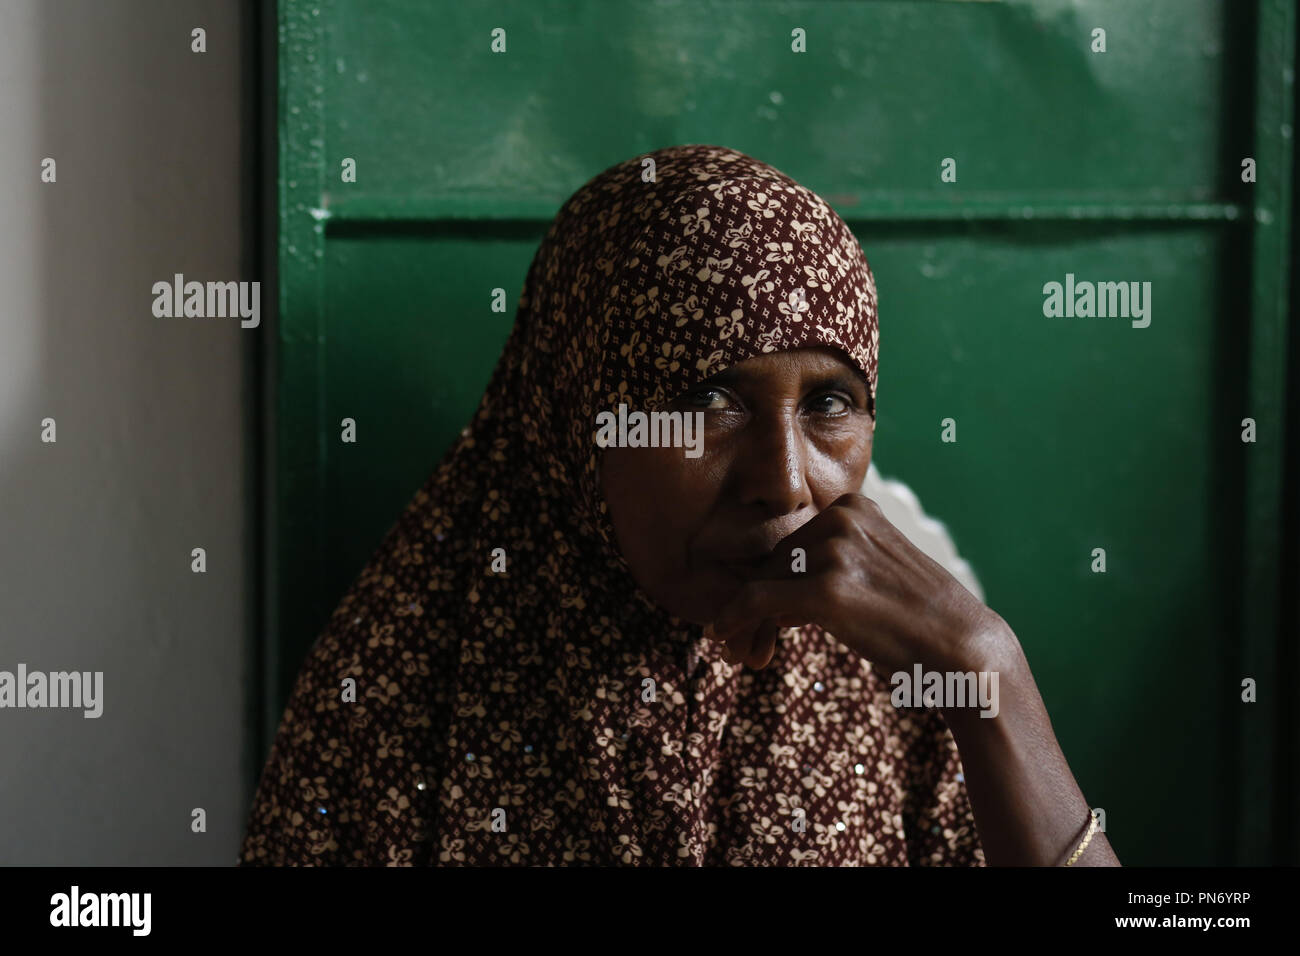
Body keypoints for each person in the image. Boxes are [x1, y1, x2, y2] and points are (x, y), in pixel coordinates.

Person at [239, 144, 1118, 866]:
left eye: (830, 404)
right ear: (580, 416)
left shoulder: (897, 676)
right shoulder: (397, 703)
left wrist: (988, 672)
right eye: (708, 402)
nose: (782, 481)